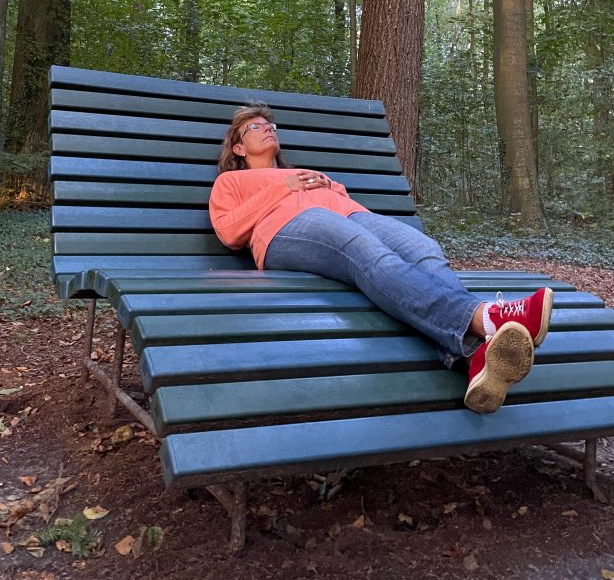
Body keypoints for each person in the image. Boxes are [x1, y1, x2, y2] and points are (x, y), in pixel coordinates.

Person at [209, 103, 553, 414]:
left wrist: (329, 188)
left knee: (423, 249)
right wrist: (283, 187)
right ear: (238, 147)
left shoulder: (310, 175)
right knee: (364, 249)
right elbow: (228, 231)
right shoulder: (232, 180)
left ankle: (475, 357)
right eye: (255, 127)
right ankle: (487, 318)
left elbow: (348, 206)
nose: (268, 127)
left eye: (270, 125)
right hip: (285, 231)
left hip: (350, 218)